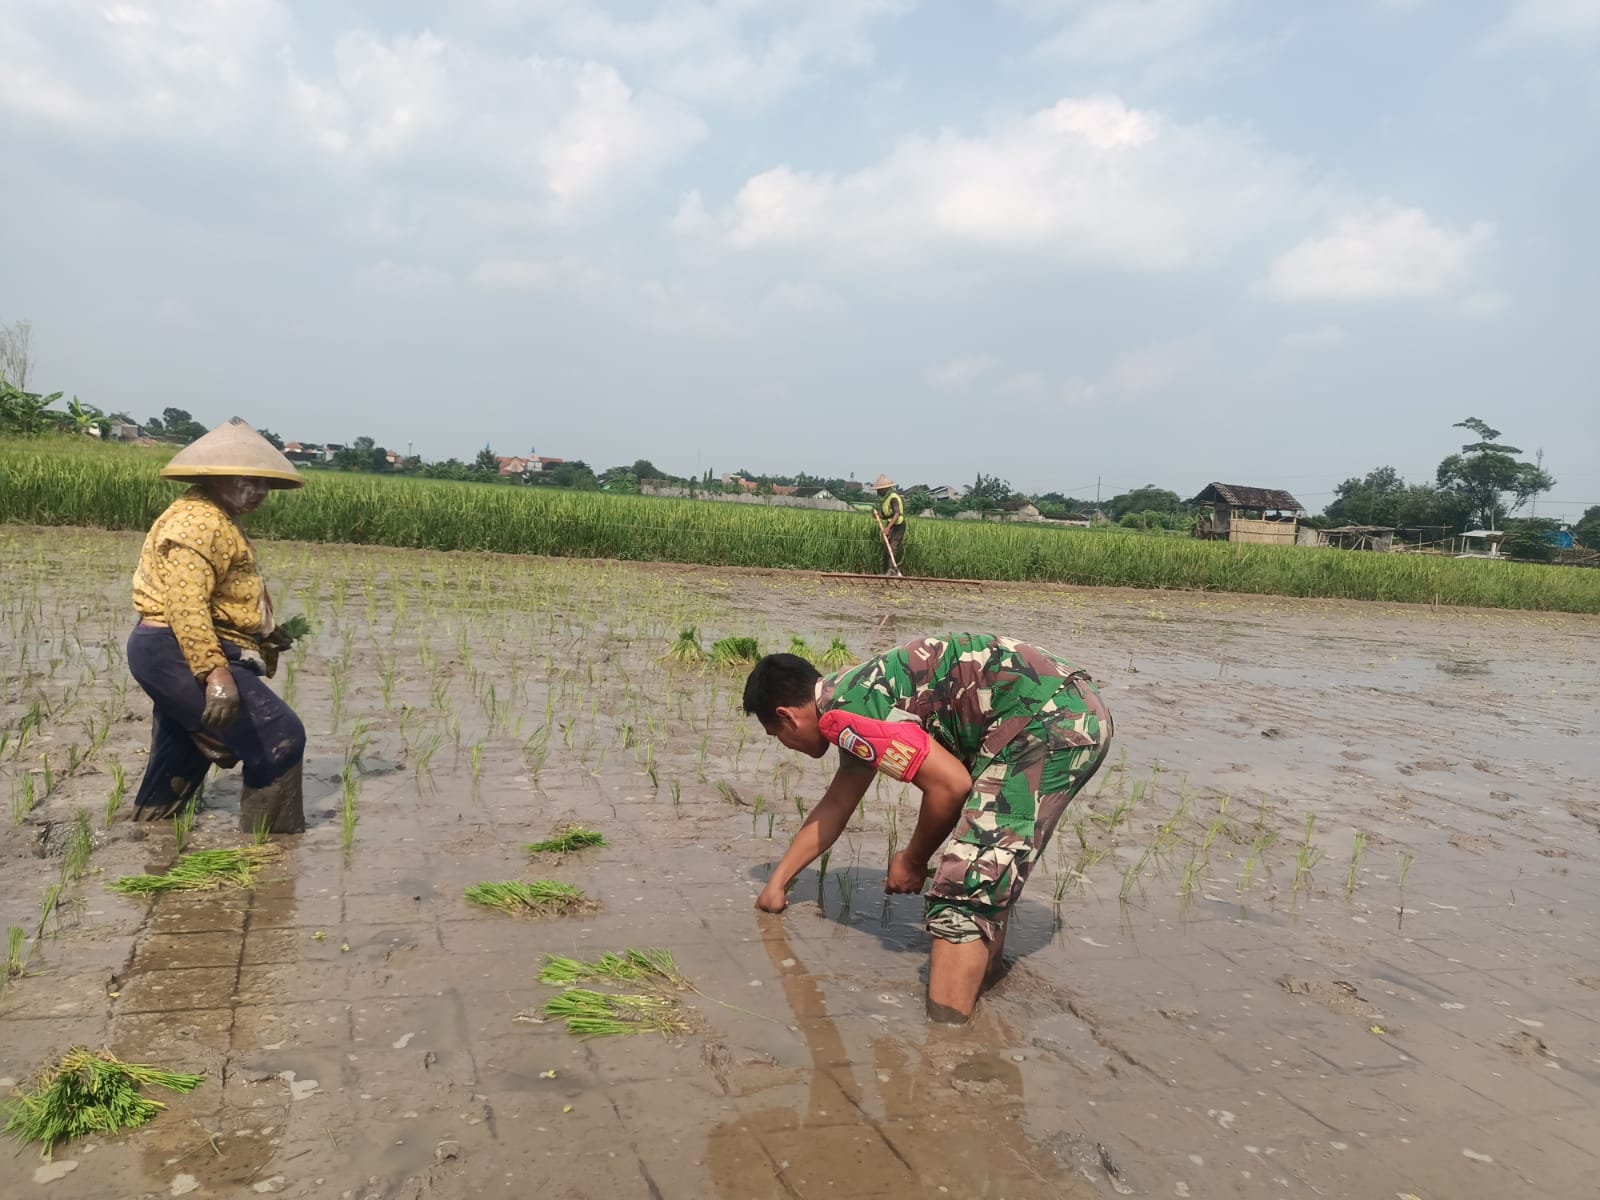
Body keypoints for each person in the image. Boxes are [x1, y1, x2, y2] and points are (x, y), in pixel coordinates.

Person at [744, 634, 1114, 1023]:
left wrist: (913, 859)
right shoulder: (853, 695)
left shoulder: (843, 716)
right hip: (1063, 709)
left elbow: (951, 784)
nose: (785, 744)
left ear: (787, 716)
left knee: (964, 888)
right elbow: (837, 804)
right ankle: (980, 998)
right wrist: (778, 883)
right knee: (985, 866)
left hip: (1049, 723)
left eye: (777, 736)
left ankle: (945, 1053)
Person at [127, 417, 308, 833]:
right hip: (177, 646)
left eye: (265, 483)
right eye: (249, 480)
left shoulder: (214, 515)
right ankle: (272, 854)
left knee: (186, 750)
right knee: (279, 738)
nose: (260, 491)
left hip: (170, 648)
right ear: (216, 476)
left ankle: (147, 834)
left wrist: (264, 632)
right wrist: (216, 672)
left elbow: (215, 598)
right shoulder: (199, 523)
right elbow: (185, 603)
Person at [871, 474, 905, 576]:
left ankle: (891, 570)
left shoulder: (893, 498)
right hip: (891, 524)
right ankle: (887, 570)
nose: (878, 492)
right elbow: (888, 515)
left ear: (885, 489)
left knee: (893, 546)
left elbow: (897, 513)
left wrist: (888, 528)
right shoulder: (886, 499)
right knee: (886, 549)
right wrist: (879, 516)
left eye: (879, 490)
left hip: (898, 525)